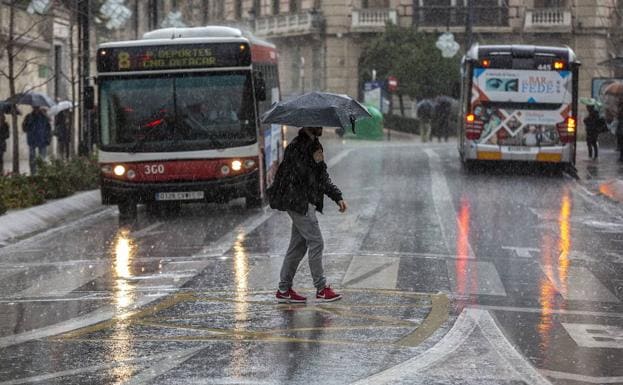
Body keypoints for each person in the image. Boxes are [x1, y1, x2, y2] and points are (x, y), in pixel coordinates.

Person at [267, 126, 348, 303]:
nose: (321, 128)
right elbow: (299, 176)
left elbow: (321, 176)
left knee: (298, 246)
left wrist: (337, 196)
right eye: (318, 125)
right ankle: (321, 288)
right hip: (298, 202)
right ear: (310, 126)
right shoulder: (298, 147)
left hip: (303, 201)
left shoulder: (313, 145)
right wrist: (313, 160)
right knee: (316, 242)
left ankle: (284, 289)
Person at [22, 106, 51, 174]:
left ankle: (41, 172)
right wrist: (28, 123)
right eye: (35, 107)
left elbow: (48, 129)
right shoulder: (29, 116)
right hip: (32, 140)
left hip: (43, 140)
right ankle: (33, 173)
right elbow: (24, 128)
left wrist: (48, 139)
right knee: (32, 158)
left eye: (37, 107)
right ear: (33, 108)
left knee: (42, 159)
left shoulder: (44, 117)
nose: (36, 109)